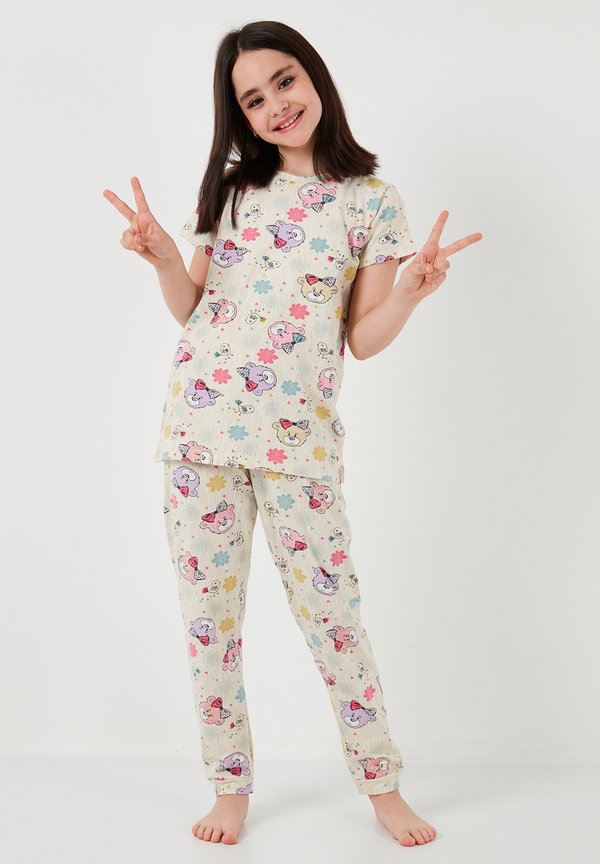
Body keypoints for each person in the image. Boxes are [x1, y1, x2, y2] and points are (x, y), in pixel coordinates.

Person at [103, 19, 482, 848]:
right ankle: (229, 786)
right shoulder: (232, 190)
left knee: (334, 617)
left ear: (314, 77)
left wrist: (409, 292)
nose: (275, 104)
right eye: (253, 99)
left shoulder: (372, 200)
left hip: (298, 445)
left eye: (284, 81)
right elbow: (193, 309)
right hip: (198, 434)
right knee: (210, 623)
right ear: (239, 116)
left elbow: (363, 339)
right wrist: (164, 254)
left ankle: (382, 786)